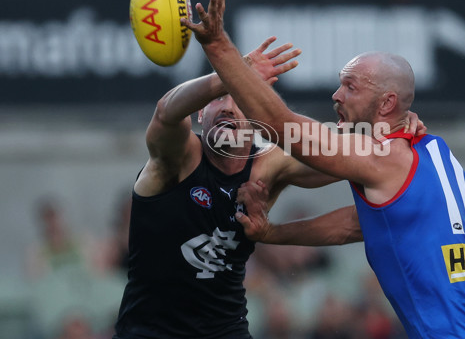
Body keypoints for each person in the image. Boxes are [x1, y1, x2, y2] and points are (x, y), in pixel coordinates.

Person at [181, 0, 465, 338]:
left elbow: (284, 127)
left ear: (387, 103)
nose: (336, 94)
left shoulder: (382, 156)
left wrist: (219, 48)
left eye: (351, 86)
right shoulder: (432, 152)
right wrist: (272, 233)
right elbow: (353, 226)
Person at [112, 34, 422, 338]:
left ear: (259, 117)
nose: (229, 108)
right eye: (219, 99)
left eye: (242, 101)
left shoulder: (270, 165)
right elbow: (166, 110)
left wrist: (397, 128)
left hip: (226, 330)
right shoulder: (177, 158)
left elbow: (360, 156)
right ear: (199, 112)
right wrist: (236, 72)